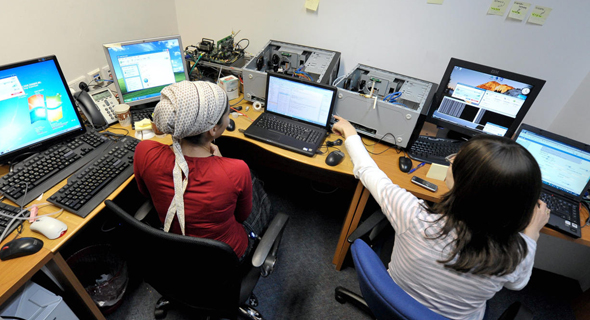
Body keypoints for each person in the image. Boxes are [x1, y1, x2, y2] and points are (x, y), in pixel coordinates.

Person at [332, 115, 550, 320]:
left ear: (463, 185)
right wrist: (532, 234)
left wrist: (351, 132)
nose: (451, 159)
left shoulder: (412, 214)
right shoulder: (516, 254)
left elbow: (367, 170)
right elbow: (517, 285)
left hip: (392, 300)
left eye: (455, 162)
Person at [133, 81, 273, 260]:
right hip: (226, 256)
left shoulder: (145, 152)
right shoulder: (236, 170)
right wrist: (221, 165)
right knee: (254, 182)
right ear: (213, 129)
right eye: (227, 115)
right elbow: (241, 216)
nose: (228, 120)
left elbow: (146, 193)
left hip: (175, 247)